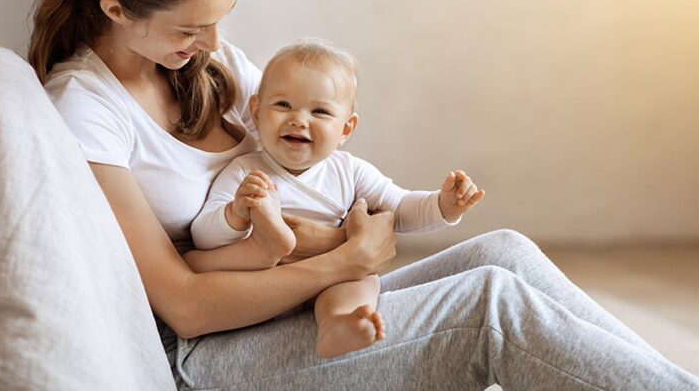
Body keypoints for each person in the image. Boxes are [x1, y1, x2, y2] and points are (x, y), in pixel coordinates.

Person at [28, 0, 699, 389]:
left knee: (504, 251)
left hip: (297, 301)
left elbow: (326, 158)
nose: (213, 43)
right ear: (116, 9)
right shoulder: (86, 111)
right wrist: (342, 258)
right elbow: (183, 303)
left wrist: (357, 236)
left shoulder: (208, 63)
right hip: (211, 354)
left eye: (221, 16)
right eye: (189, 27)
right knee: (489, 308)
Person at [187, 39, 486, 358]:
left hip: (332, 280)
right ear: (257, 112)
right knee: (233, 268)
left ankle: (339, 324)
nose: (299, 120)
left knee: (361, 282)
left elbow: (398, 209)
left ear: (346, 129)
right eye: (283, 105)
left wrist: (443, 205)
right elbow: (202, 235)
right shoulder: (245, 172)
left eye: (319, 111)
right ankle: (273, 245)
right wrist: (234, 214)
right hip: (265, 286)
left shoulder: (350, 172)